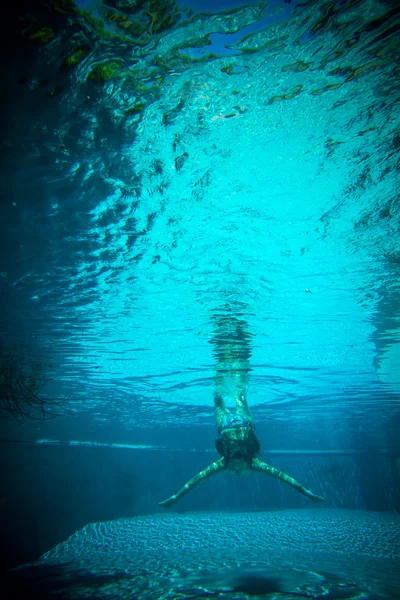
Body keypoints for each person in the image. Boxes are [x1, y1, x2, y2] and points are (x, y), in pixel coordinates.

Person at [159, 311, 325, 508]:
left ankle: (220, 369)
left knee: (218, 399)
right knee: (240, 396)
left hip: (225, 425)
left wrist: (175, 498)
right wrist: (307, 493)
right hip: (245, 422)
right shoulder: (255, 464)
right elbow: (284, 478)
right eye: (240, 472)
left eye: (233, 472)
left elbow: (196, 480)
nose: (236, 471)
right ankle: (239, 369)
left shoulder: (223, 463)